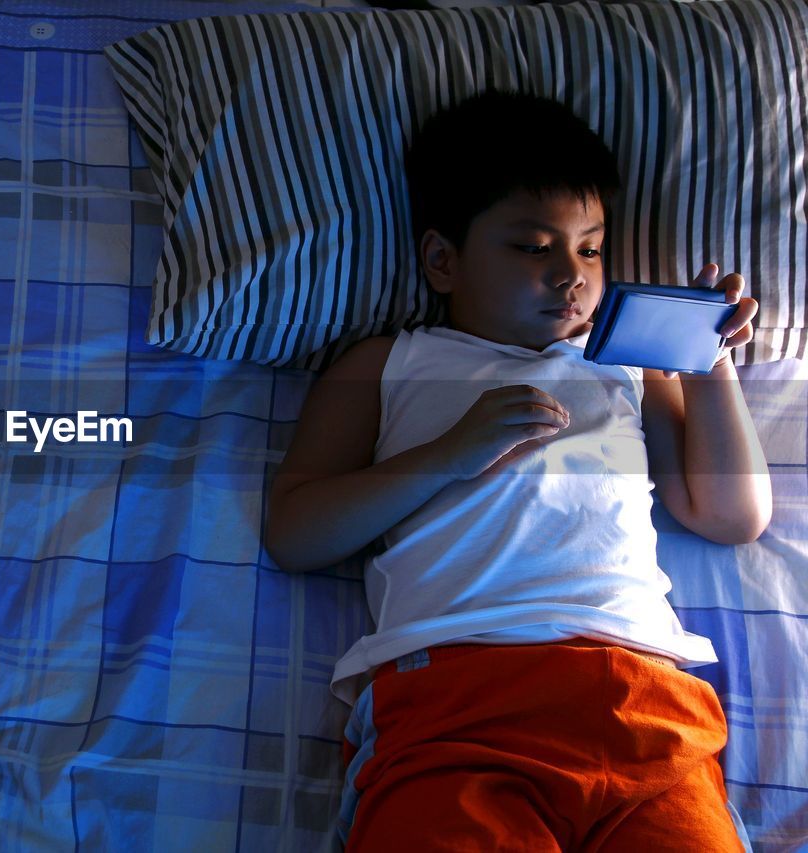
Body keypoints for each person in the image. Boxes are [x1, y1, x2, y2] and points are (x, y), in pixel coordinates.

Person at [264, 89, 770, 851]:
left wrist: (709, 363)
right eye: (533, 248)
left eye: (591, 248)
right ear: (442, 260)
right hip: (458, 703)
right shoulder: (387, 364)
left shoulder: (627, 369)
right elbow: (295, 532)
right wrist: (446, 457)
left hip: (643, 702)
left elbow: (731, 514)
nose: (571, 275)